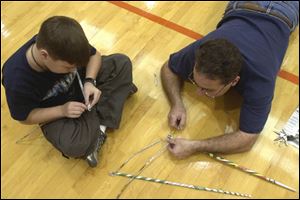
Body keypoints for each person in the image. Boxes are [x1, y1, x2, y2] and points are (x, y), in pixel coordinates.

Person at [161, 1, 299, 159]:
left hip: (285, 9)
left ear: (234, 81)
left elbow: (246, 139)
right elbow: (169, 68)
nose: (199, 92)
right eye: (195, 80)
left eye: (208, 89)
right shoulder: (203, 52)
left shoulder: (260, 80)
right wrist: (176, 104)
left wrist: (195, 146)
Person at [2, 16, 138, 167]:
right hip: (56, 109)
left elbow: (94, 55)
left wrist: (89, 81)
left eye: (76, 65)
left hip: (82, 87)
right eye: (68, 67)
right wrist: (62, 110)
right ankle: (108, 104)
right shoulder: (17, 79)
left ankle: (98, 128)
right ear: (44, 55)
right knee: (74, 145)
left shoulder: (65, 42)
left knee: (122, 62)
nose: (73, 70)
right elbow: (25, 117)